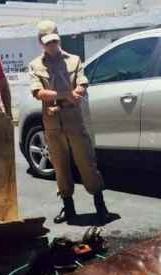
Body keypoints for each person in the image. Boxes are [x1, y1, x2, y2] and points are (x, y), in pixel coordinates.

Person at [29, 20, 111, 225]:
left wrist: (78, 91)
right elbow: (38, 92)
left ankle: (100, 206)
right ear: (40, 42)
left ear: (59, 38)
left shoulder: (74, 60)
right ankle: (68, 208)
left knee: (86, 162)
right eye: (48, 42)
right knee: (60, 165)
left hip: (73, 119)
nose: (52, 45)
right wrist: (67, 94)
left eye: (55, 41)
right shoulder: (35, 65)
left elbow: (82, 83)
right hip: (52, 122)